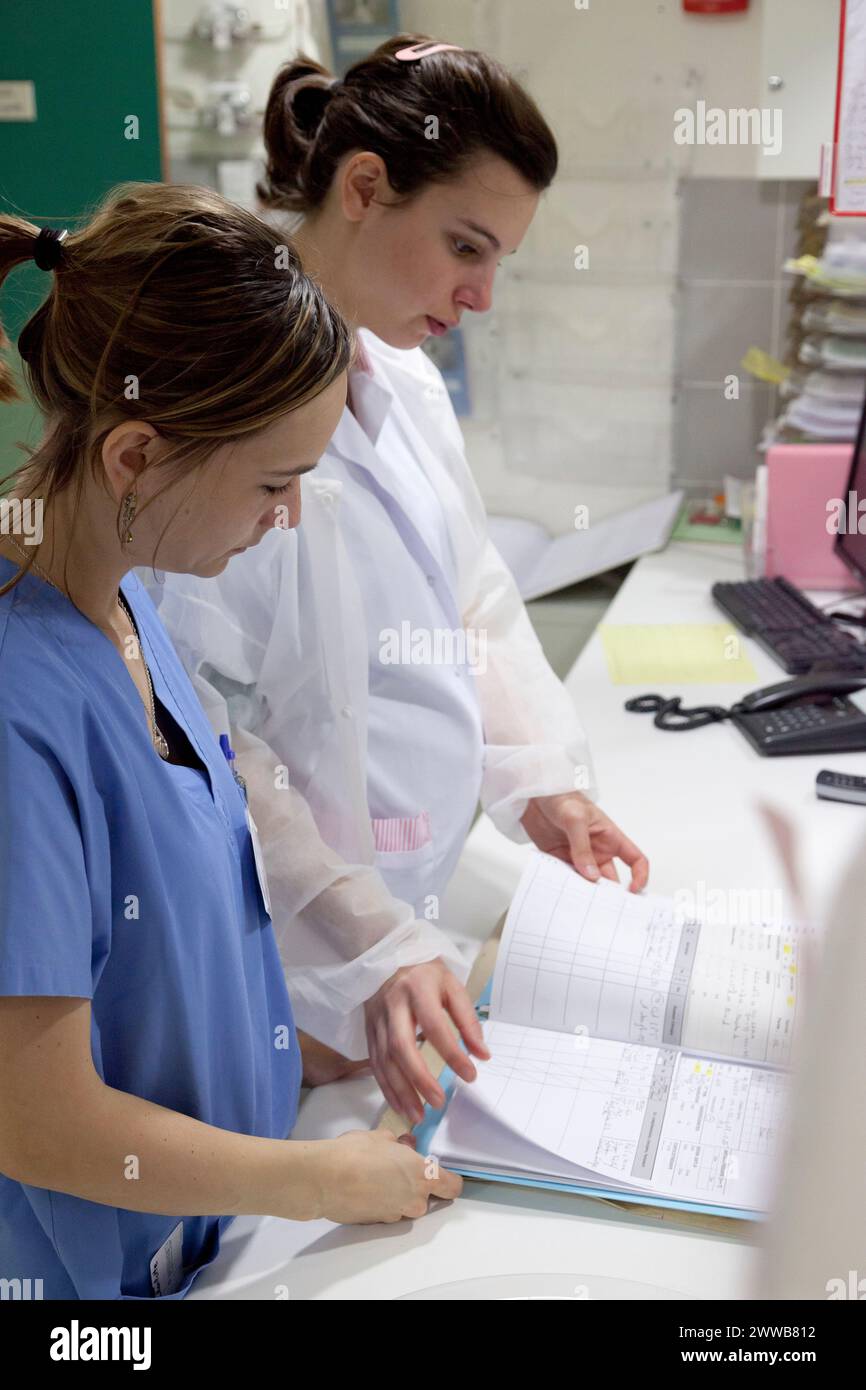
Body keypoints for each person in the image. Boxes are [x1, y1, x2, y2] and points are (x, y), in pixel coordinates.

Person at [150, 34, 650, 1128]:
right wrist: (367, 936)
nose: (478, 296)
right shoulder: (223, 417)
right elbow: (209, 738)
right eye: (463, 245)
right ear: (365, 186)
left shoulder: (401, 375)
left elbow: (467, 595)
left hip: (409, 938)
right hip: (295, 974)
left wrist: (540, 782)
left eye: (499, 261)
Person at [0, 184, 460, 1301]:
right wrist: (315, 1181)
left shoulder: (116, 602)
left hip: (208, 1236)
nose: (286, 516)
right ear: (136, 457)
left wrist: (299, 1042)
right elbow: (34, 1116)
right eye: (272, 481)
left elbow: (158, 934)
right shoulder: (18, 705)